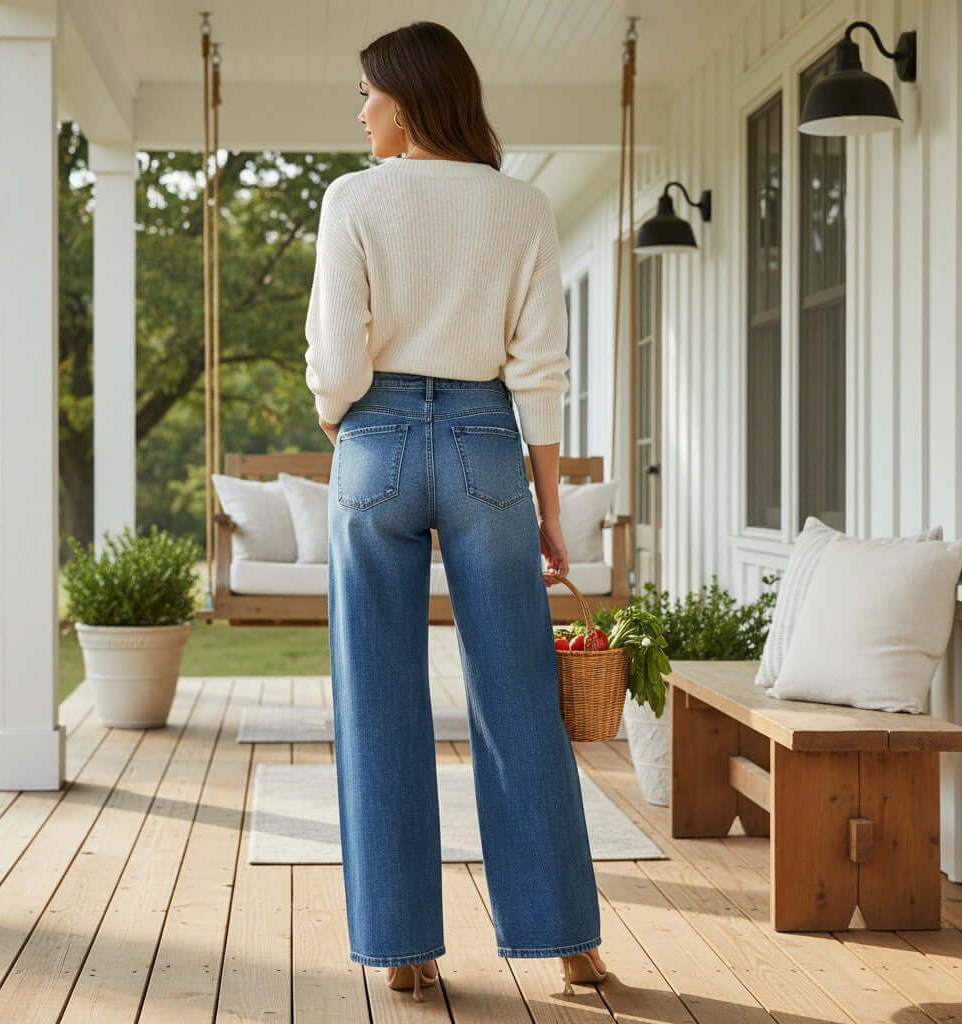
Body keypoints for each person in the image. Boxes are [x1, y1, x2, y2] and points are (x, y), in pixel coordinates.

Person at [304, 19, 609, 1004]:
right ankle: (569, 945)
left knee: (377, 699)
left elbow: (338, 364)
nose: (359, 113)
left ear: (407, 94)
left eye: (367, 93)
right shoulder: (519, 207)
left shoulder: (353, 200)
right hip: (487, 444)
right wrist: (551, 509)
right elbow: (542, 373)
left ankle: (404, 949)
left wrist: (335, 415)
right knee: (518, 694)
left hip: (377, 441)